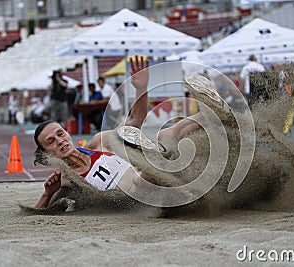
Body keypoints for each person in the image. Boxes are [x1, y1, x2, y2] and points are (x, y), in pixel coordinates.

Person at [33, 56, 209, 208]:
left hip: (154, 178)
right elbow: (39, 214)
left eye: (60, 134)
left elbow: (134, 121)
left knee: (167, 134)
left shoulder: (99, 142)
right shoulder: (67, 181)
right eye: (51, 141)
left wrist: (141, 88)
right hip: (140, 196)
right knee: (141, 177)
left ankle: (215, 112)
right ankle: (159, 161)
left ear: (68, 134)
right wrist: (47, 194)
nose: (60, 140)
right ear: (46, 154)